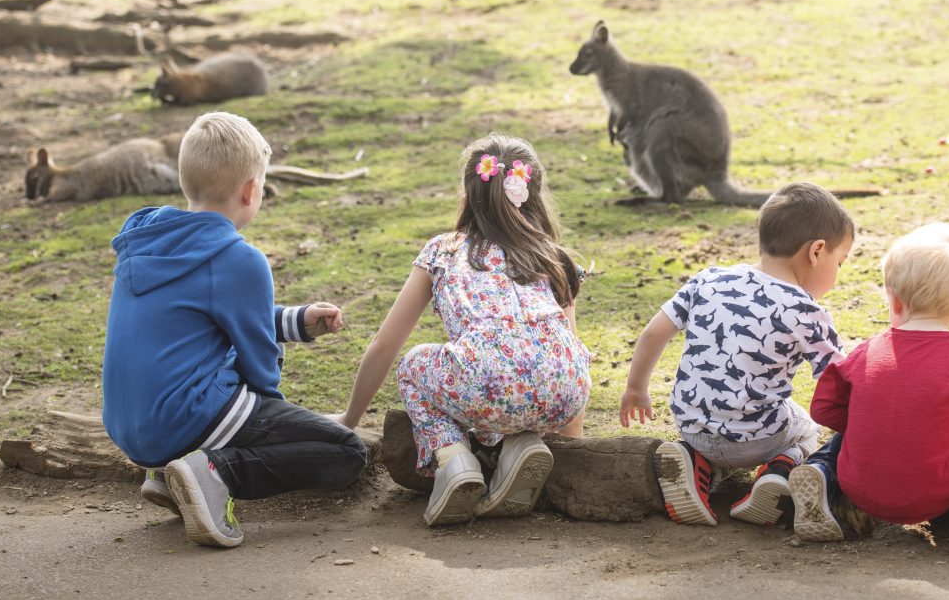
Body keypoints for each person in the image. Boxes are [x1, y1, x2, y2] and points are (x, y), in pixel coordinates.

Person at [102, 112, 366, 549]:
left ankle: (167, 473)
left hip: (130, 423)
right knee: (346, 452)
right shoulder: (238, 259)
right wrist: (275, 416)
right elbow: (260, 368)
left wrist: (296, 322)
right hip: (186, 416)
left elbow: (207, 318)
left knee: (218, 391)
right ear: (250, 191)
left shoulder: (150, 237)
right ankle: (213, 473)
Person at [341, 134, 590, 526]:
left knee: (414, 364)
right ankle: (521, 443)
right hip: (565, 391)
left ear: (467, 193)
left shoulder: (443, 250)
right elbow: (569, 350)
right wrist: (572, 443)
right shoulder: (553, 256)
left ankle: (454, 460)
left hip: (486, 385)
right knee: (520, 380)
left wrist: (350, 420)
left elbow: (385, 345)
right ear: (534, 193)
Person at [620, 182, 854, 527]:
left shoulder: (708, 279)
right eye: (840, 261)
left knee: (714, 425)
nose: (838, 273)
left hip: (692, 425)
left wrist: (636, 389)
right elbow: (839, 378)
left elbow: (654, 331)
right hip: (759, 439)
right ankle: (776, 473)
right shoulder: (806, 310)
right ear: (817, 251)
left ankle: (697, 464)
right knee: (803, 425)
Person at [791, 222, 949, 549]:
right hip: (943, 494)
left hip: (864, 491)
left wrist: (871, 420)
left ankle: (820, 473)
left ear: (895, 302)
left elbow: (823, 409)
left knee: (846, 433)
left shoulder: (865, 353)